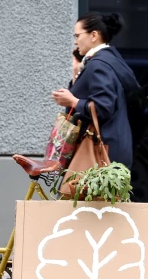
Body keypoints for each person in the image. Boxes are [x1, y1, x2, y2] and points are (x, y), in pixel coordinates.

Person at [51, 12, 139, 169]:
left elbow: (103, 107)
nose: (75, 41)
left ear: (93, 35)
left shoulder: (99, 64)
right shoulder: (106, 60)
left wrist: (73, 101)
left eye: (77, 36)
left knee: (72, 193)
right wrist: (76, 73)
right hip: (108, 148)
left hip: (100, 152)